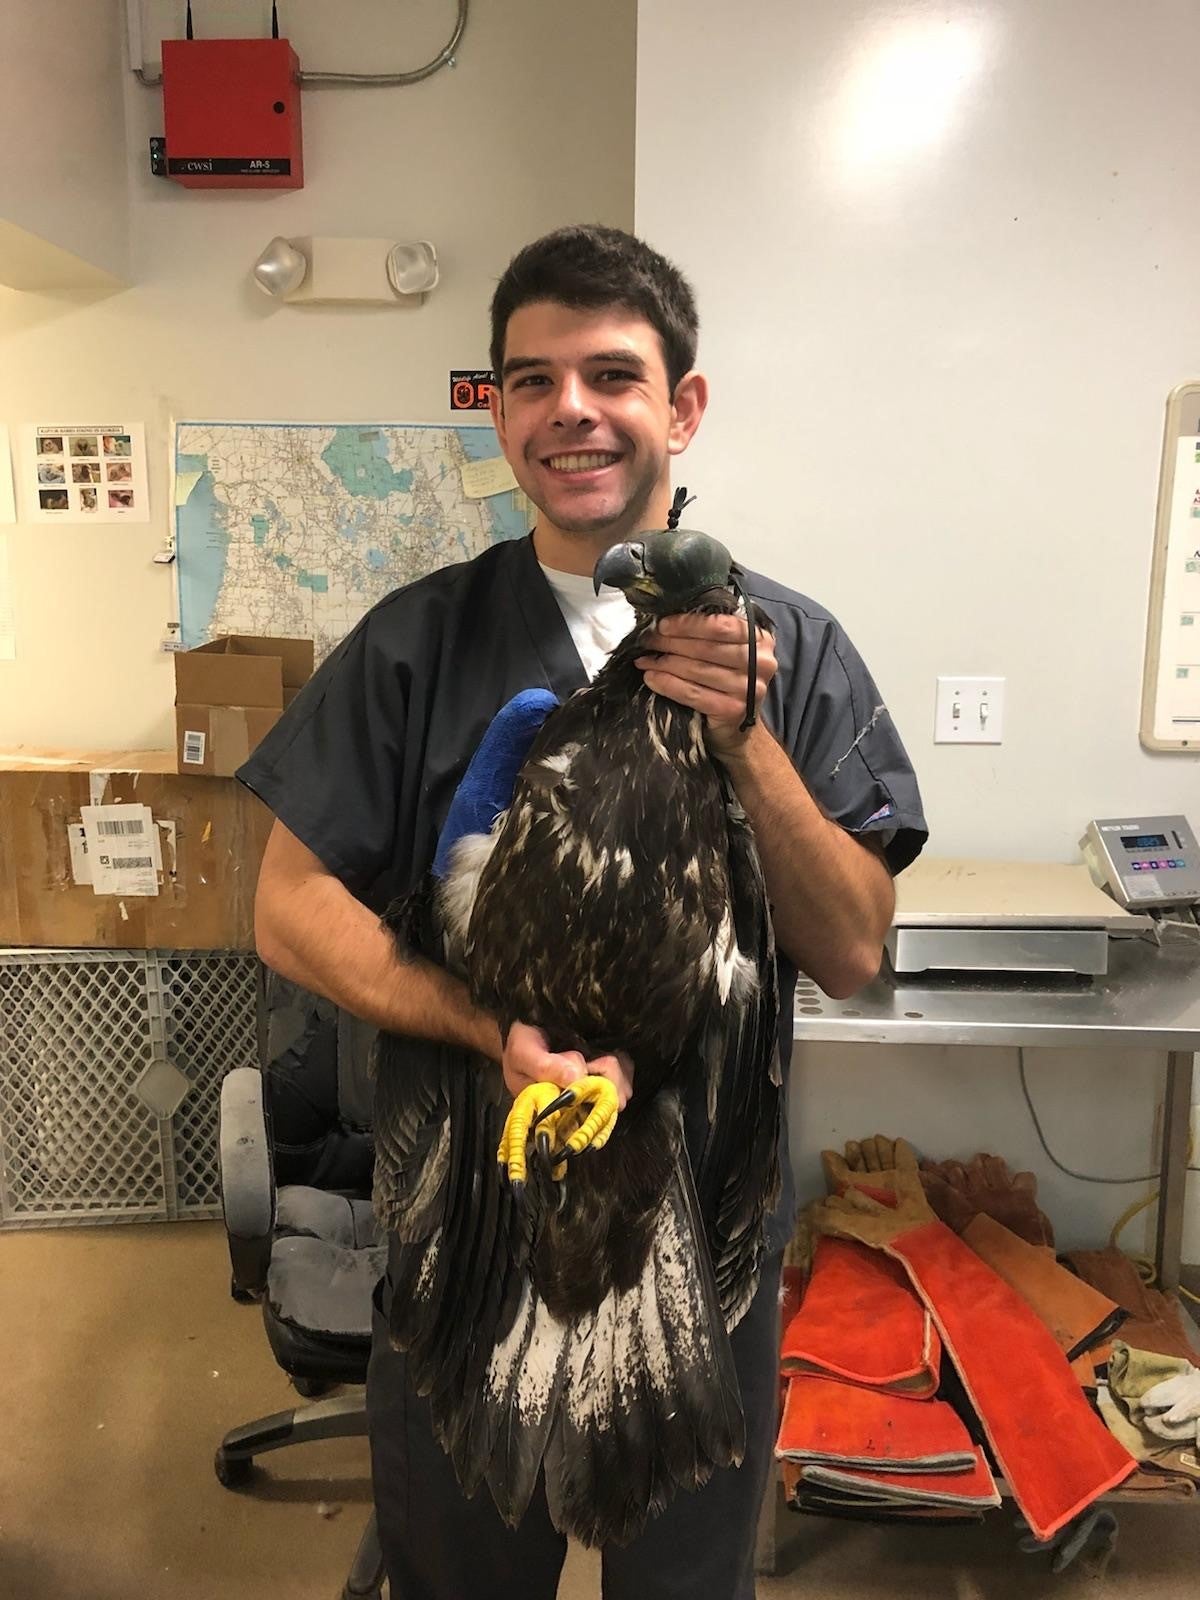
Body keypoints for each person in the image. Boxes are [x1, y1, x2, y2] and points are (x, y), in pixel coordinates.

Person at [239, 223, 927, 1599]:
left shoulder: (795, 650)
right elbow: (288, 910)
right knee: (456, 1579)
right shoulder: (414, 646)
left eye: (611, 374)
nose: (571, 410)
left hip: (695, 1253)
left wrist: (744, 736)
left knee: (682, 1586)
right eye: (530, 379)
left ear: (681, 406)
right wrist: (487, 1026)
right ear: (496, 413)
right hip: (464, 1235)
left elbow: (853, 949)